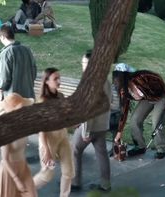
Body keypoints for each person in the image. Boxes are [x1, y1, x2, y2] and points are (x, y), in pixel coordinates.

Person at [71, 50, 112, 192]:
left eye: (85, 63)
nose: (82, 65)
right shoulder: (105, 79)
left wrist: (86, 131)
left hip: (90, 126)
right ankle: (105, 184)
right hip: (103, 125)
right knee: (102, 153)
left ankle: (75, 182)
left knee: (75, 150)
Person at [113, 69, 165, 159]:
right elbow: (124, 112)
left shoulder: (140, 78)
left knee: (156, 122)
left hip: (160, 96)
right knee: (134, 120)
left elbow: (158, 78)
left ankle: (162, 149)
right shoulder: (124, 91)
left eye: (121, 85)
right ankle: (140, 146)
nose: (120, 89)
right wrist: (119, 131)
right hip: (147, 99)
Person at [33, 67, 74, 197]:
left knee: (69, 172)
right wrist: (46, 150)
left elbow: (65, 119)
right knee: (47, 175)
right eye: (55, 78)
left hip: (62, 136)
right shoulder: (42, 102)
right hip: (48, 140)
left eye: (59, 78)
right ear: (46, 81)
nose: (58, 81)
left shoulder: (61, 96)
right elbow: (41, 128)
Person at [0, 93, 36, 197]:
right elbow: (5, 159)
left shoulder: (23, 125)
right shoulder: (4, 131)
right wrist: (16, 179)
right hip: (9, 171)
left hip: (23, 165)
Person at [0, 24, 37, 117]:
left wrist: (0, 88)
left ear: (2, 37)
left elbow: (5, 79)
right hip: (28, 96)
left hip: (12, 100)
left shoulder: (6, 53)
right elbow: (34, 72)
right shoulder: (27, 50)